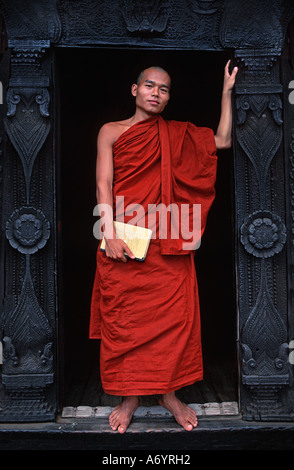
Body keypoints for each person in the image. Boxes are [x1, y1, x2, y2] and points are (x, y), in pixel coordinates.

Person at [90, 61, 238, 433]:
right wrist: (109, 233)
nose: (156, 93)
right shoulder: (110, 131)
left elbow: (222, 141)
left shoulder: (176, 134)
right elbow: (103, 184)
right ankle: (130, 398)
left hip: (168, 243)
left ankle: (169, 394)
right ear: (134, 89)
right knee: (124, 323)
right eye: (150, 86)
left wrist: (226, 92)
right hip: (123, 239)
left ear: (168, 97)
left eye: (165, 89)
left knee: (173, 325)